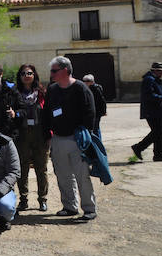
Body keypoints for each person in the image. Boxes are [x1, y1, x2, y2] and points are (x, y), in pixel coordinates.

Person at [43, 56, 98, 220]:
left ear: (65, 71)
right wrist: (47, 135)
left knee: (82, 176)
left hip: (77, 139)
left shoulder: (81, 88)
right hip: (58, 139)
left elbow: (90, 114)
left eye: (54, 71)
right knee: (63, 175)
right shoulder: (52, 90)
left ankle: (89, 208)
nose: (51, 74)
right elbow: (46, 114)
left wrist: (85, 135)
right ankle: (69, 207)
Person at [14, 64, 50, 212]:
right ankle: (23, 200)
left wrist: (49, 135)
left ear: (34, 75)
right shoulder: (14, 93)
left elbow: (48, 114)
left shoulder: (42, 92)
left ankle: (43, 199)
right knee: (21, 169)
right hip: (22, 136)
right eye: (23, 73)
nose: (26, 75)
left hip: (39, 135)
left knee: (41, 169)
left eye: (29, 73)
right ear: (19, 76)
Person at [132, 61, 162, 162]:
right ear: (155, 71)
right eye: (161, 71)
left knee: (159, 133)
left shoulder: (155, 79)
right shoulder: (149, 79)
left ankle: (158, 155)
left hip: (157, 111)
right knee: (158, 132)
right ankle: (139, 147)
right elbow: (148, 95)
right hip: (152, 111)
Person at [82, 74, 107, 139]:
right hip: (92, 112)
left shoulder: (95, 89)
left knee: (95, 128)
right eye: (84, 81)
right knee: (94, 128)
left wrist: (104, 111)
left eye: (87, 81)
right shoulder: (87, 89)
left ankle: (98, 143)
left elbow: (102, 101)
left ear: (92, 81)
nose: (85, 82)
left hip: (97, 112)